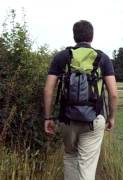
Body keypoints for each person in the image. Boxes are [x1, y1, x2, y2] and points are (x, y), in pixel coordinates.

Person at [43, 20, 118, 180]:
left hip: (67, 119)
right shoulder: (102, 58)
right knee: (87, 165)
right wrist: (111, 117)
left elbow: (48, 89)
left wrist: (48, 118)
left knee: (70, 157)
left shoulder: (62, 57)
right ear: (92, 36)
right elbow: (113, 94)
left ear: (74, 36)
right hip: (94, 119)